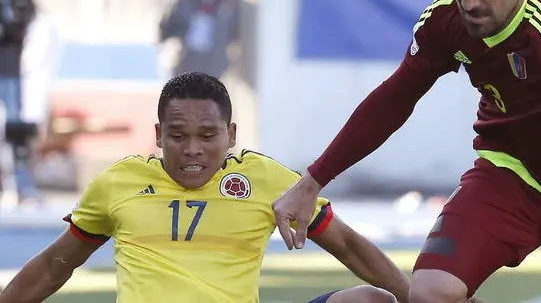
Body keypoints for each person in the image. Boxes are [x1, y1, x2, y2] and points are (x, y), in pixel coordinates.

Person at [271, 0, 541, 302]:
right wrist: (312, 182)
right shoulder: (447, 15)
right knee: (431, 293)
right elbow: (396, 97)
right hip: (510, 172)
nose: (470, 4)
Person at [0, 72, 409, 303]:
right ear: (159, 135)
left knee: (372, 302)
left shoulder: (266, 180)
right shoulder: (119, 182)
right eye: (178, 136)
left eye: (207, 135)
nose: (192, 150)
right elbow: (57, 263)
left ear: (231, 135)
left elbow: (349, 245)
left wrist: (421, 299)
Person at [159, 0, 240, 79]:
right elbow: (166, 30)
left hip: (212, 69)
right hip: (184, 65)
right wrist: (172, 52)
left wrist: (226, 61)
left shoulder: (228, 2)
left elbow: (234, 36)